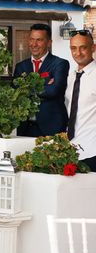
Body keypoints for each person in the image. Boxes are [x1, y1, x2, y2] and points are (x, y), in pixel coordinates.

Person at [13, 23, 69, 137]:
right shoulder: (21, 66)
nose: (34, 44)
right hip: (25, 127)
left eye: (39, 40)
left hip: (52, 127)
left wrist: (25, 89)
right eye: (31, 39)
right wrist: (44, 86)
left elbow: (54, 90)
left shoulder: (59, 64)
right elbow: (15, 93)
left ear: (49, 43)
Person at [65, 29, 96, 171]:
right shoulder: (72, 76)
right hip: (74, 149)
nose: (78, 53)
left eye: (83, 47)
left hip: (93, 150)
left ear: (93, 48)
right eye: (73, 48)